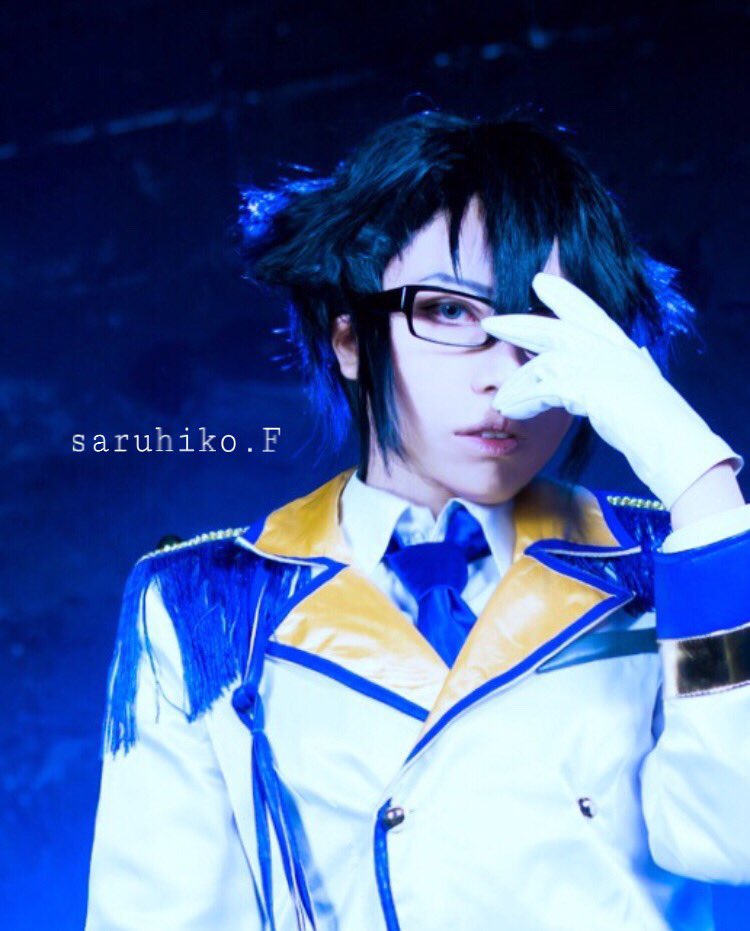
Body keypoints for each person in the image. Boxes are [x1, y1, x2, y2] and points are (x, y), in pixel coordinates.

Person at [85, 110, 750, 931]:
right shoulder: (210, 604)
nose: (504, 376)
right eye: (449, 312)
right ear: (350, 339)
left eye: (547, 326)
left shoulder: (670, 563)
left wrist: (701, 480)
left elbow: (734, 834)